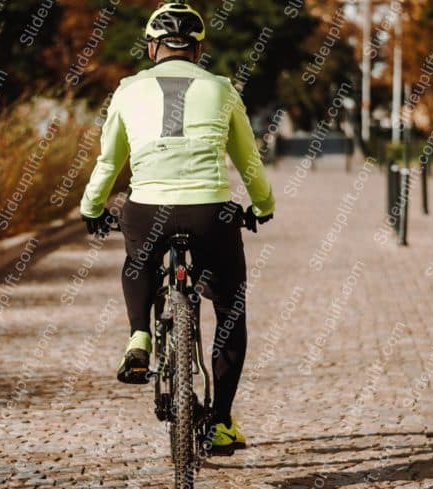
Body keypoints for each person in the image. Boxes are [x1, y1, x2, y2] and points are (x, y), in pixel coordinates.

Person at [79, 2, 274, 454]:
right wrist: (263, 205)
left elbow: (109, 161)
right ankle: (221, 422)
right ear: (198, 49)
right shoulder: (223, 89)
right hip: (210, 213)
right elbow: (248, 162)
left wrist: (91, 208)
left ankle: (139, 337)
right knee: (229, 307)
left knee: (138, 259)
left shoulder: (128, 89)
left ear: (153, 47)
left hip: (147, 210)